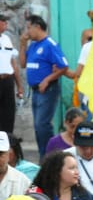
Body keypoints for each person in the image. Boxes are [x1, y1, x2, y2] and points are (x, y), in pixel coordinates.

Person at [20, 15, 69, 153]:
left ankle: (49, 155)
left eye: (29, 28)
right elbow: (23, 63)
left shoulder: (50, 44)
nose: (27, 31)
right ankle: (44, 154)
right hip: (35, 90)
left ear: (38, 27)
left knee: (42, 124)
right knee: (37, 126)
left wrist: (47, 80)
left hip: (48, 90)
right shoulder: (34, 45)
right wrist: (22, 44)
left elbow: (64, 66)